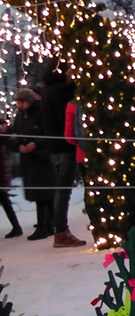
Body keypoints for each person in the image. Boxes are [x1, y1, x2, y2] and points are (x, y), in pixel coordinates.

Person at [41, 66, 86, 247]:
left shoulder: (47, 90)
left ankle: (59, 230)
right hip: (65, 145)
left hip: (54, 145)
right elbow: (67, 120)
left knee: (61, 189)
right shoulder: (62, 91)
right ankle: (60, 231)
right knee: (63, 189)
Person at [12, 88, 56, 241]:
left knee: (43, 194)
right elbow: (15, 134)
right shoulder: (20, 115)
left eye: (22, 102)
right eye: (18, 102)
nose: (20, 105)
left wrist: (36, 144)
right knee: (41, 194)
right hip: (28, 160)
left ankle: (44, 226)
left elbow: (49, 133)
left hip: (42, 158)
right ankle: (51, 224)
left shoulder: (40, 112)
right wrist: (18, 145)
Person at [0, 118, 22, 238]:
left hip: (1, 167)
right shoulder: (4, 128)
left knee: (3, 198)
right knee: (4, 199)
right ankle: (16, 226)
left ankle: (16, 227)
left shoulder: (3, 128)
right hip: (3, 166)